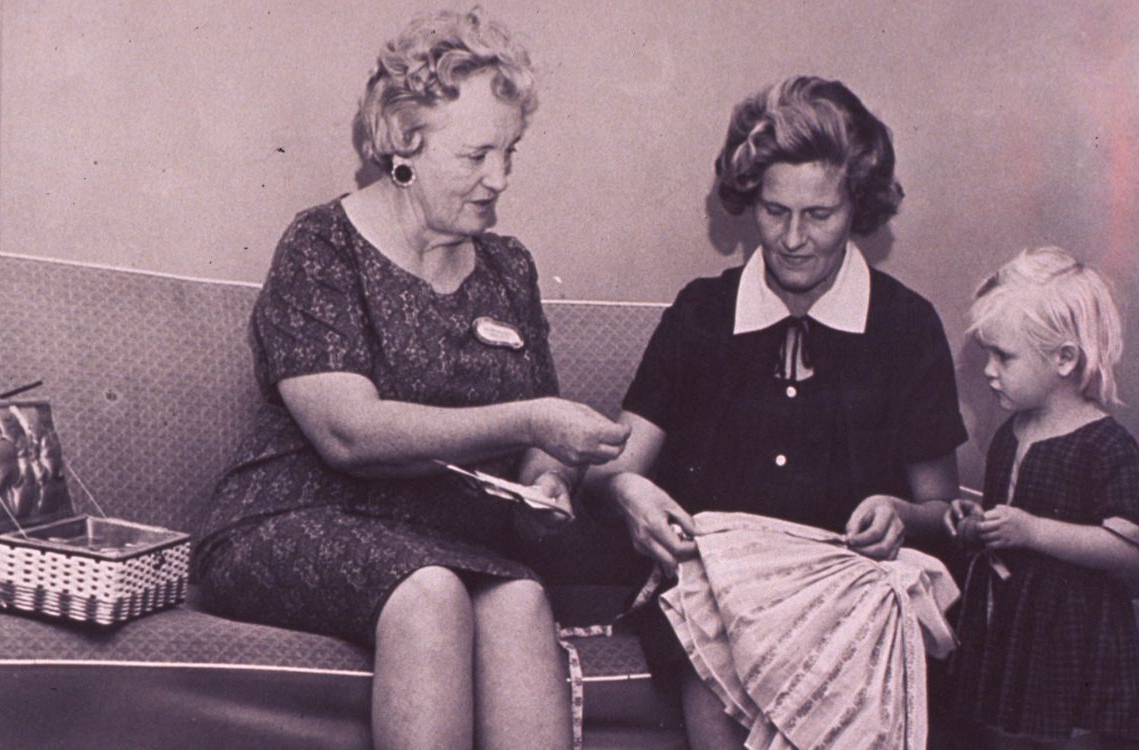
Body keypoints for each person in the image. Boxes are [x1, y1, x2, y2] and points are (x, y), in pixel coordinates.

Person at [191, 9, 629, 749]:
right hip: (293, 516)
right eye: (477, 155)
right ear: (403, 146)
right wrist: (529, 422)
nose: (500, 178)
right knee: (428, 594)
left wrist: (546, 475)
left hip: (444, 534)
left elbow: (542, 429)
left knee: (522, 599)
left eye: (510, 152)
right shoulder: (321, 244)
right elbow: (348, 434)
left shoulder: (508, 266)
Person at [584, 75, 969, 748]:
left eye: (818, 215)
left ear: (859, 207)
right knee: (714, 626)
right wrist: (628, 493)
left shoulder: (905, 326)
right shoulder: (702, 314)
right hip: (714, 600)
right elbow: (613, 468)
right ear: (748, 201)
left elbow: (941, 511)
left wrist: (902, 514)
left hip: (847, 603)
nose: (792, 239)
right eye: (772, 211)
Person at [946, 247, 1139, 749]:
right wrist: (978, 525)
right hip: (1012, 624)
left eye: (1004, 357)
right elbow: (1006, 522)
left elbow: (1128, 546)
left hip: (1074, 637)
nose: (990, 370)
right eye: (987, 354)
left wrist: (1033, 531)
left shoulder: (1107, 443)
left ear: (1064, 358)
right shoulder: (1009, 434)